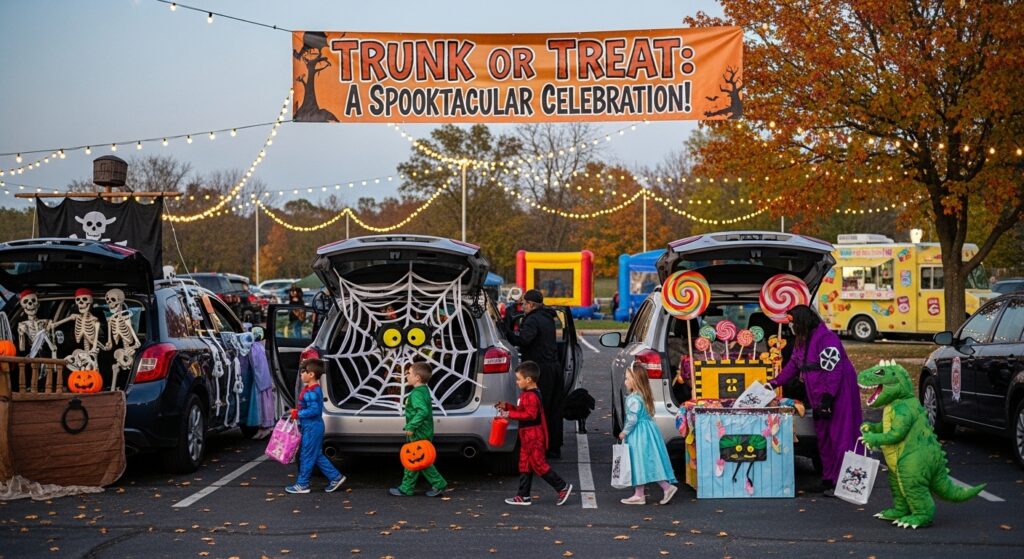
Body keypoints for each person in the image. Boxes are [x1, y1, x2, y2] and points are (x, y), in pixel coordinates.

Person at [767, 304, 862, 496]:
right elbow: (794, 365)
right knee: (824, 436)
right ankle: (828, 479)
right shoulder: (801, 341)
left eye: (793, 323)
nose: (791, 327)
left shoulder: (827, 339)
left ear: (802, 321)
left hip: (838, 394)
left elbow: (834, 370)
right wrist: (773, 383)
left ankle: (843, 482)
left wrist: (828, 399)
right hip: (818, 395)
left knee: (840, 436)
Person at [497, 361, 574, 506]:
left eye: (518, 379)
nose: (517, 382)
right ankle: (523, 495)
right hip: (526, 435)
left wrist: (509, 413)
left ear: (528, 380)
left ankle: (562, 487)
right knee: (524, 464)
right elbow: (522, 411)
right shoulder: (527, 394)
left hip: (533, 435)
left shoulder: (530, 396)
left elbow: (530, 415)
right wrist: (508, 407)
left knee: (539, 464)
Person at [504, 289, 564, 458]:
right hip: (554, 367)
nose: (522, 306)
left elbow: (524, 340)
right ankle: (554, 446)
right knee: (553, 409)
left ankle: (540, 447)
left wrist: (507, 331)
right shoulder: (548, 318)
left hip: (540, 369)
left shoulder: (532, 320)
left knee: (538, 409)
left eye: (524, 303)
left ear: (531, 304)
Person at [618, 362, 678, 505]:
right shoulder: (643, 396)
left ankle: (666, 487)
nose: (625, 381)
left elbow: (632, 420)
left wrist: (624, 432)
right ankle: (639, 494)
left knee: (643, 461)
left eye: (627, 378)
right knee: (643, 462)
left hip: (639, 434)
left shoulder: (632, 399)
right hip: (649, 431)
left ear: (635, 380)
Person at [286, 358, 346, 494]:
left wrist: (298, 413)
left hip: (312, 427)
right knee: (316, 455)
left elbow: (314, 410)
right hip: (313, 426)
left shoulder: (312, 392)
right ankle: (336, 477)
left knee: (306, 455)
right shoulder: (311, 389)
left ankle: (303, 484)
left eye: (303, 372)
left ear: (311, 374)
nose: (301, 375)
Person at [390, 362, 447, 497]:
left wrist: (411, 426)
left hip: (419, 432)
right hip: (424, 430)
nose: (406, 375)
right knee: (417, 460)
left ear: (417, 378)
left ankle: (438, 484)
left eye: (409, 373)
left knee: (417, 459)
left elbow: (423, 411)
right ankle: (407, 487)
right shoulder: (424, 390)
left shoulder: (416, 394)